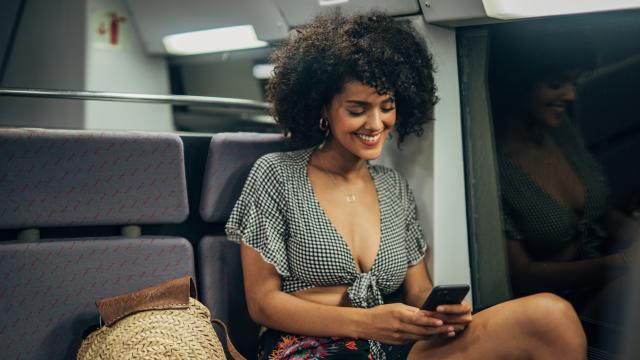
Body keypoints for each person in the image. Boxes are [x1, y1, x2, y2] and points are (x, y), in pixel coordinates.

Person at [226, 12, 586, 360]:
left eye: (387, 106)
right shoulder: (276, 174)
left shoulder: (393, 187)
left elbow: (418, 291)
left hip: (391, 345)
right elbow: (262, 302)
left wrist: (440, 314)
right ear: (323, 108)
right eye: (357, 109)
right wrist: (368, 323)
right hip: (306, 346)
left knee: (550, 317)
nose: (376, 123)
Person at [489, 24, 639, 324]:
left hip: (605, 283)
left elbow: (599, 212)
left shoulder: (560, 130)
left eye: (573, 83)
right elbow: (523, 276)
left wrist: (633, 233)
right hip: (557, 310)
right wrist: (621, 265)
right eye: (556, 85)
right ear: (518, 85)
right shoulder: (494, 168)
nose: (570, 95)